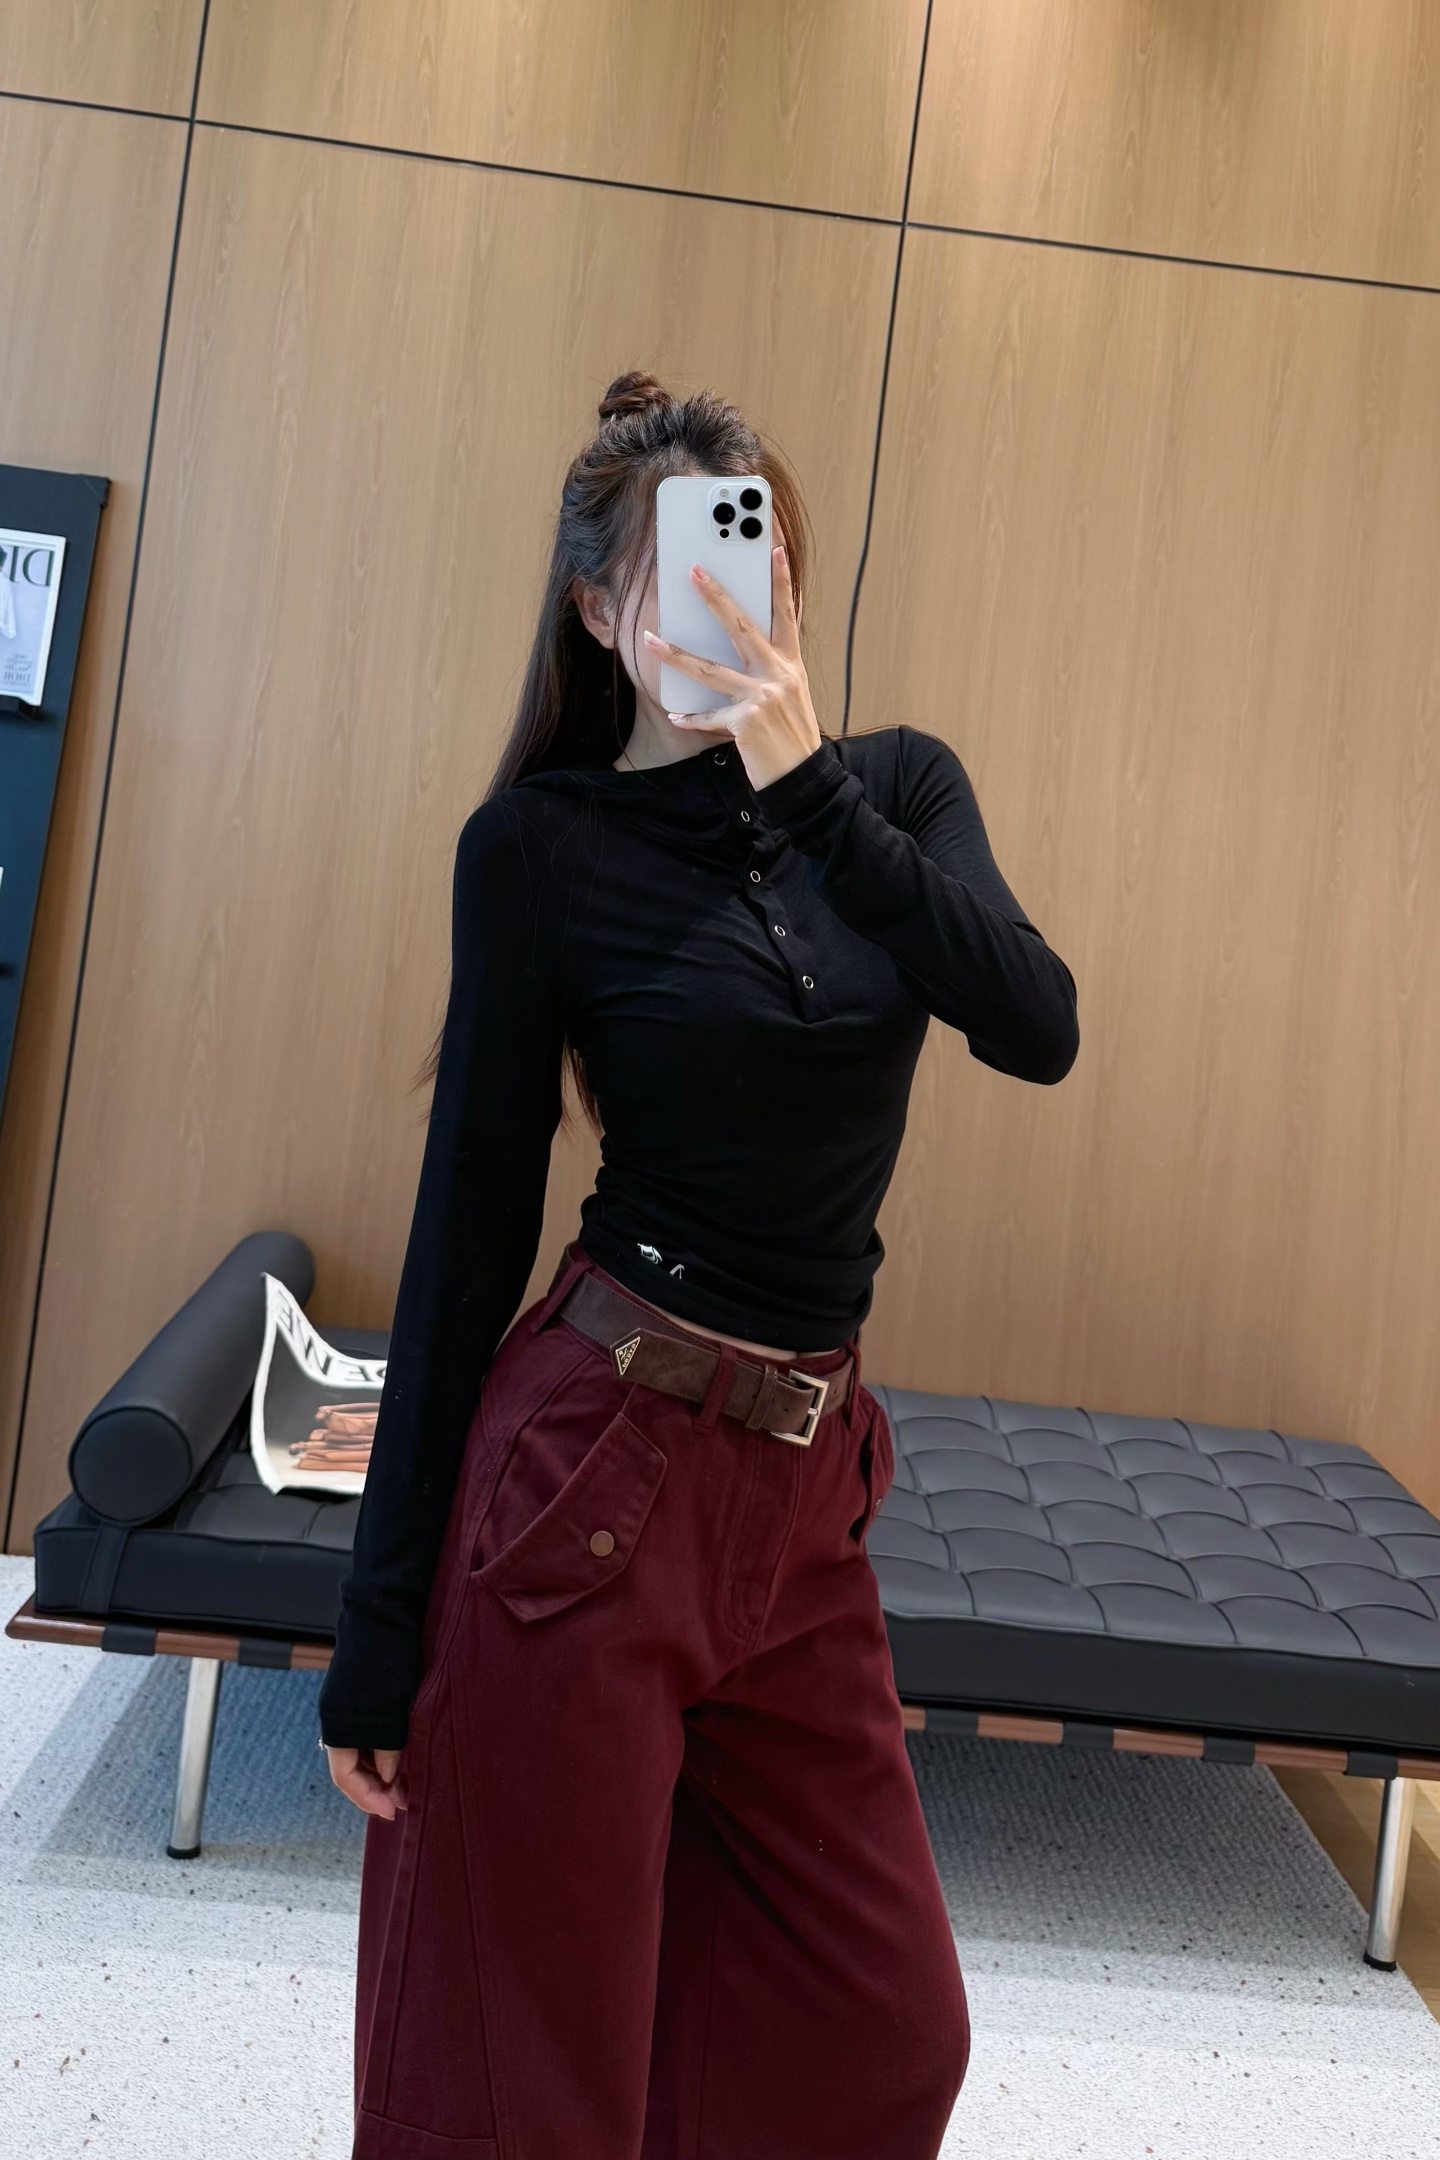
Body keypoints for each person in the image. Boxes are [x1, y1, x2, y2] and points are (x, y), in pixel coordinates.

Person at [318, 370, 1079, 2160]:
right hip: (592, 1469)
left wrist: (803, 778)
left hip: (805, 1502)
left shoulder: (894, 792)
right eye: (683, 574)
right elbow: (469, 1224)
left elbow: (1036, 1023)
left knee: (882, 2032)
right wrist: (378, 1623)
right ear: (601, 612)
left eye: (760, 560)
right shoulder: (539, 851)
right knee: (526, 2075)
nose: (734, 603)